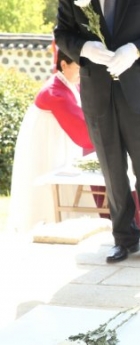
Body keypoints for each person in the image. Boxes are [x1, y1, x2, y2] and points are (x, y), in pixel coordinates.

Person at [55, 0, 140, 263]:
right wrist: (85, 47)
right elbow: (62, 34)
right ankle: (123, 238)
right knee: (112, 171)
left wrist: (135, 51)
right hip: (98, 95)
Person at [8, 49, 97, 233]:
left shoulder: (70, 84)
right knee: (45, 182)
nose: (82, 74)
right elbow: (81, 129)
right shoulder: (54, 92)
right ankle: (46, 224)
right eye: (79, 68)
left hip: (59, 138)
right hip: (45, 142)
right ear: (63, 65)